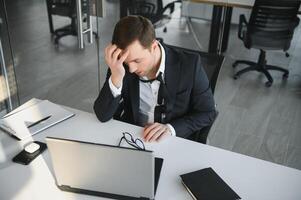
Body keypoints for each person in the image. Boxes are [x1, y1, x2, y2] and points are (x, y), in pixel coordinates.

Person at [94, 15, 217, 143]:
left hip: (173, 140)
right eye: (127, 62)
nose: (131, 69)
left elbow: (207, 112)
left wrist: (170, 129)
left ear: (153, 46)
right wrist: (116, 76)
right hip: (133, 137)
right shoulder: (120, 66)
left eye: (137, 60)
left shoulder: (189, 65)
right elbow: (102, 115)